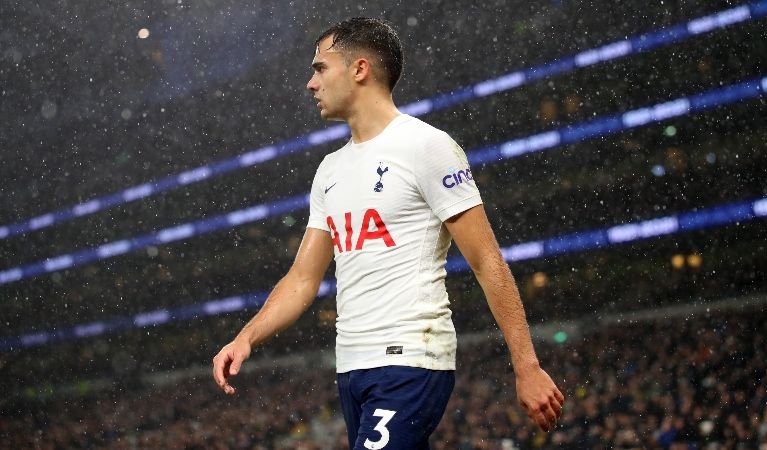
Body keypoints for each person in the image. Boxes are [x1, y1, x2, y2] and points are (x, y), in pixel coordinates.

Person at [212, 17, 564, 449]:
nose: (310, 83)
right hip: (352, 367)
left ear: (359, 69)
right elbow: (303, 278)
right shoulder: (329, 171)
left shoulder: (426, 146)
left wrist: (526, 366)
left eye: (320, 68)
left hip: (411, 360)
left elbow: (487, 260)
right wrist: (245, 336)